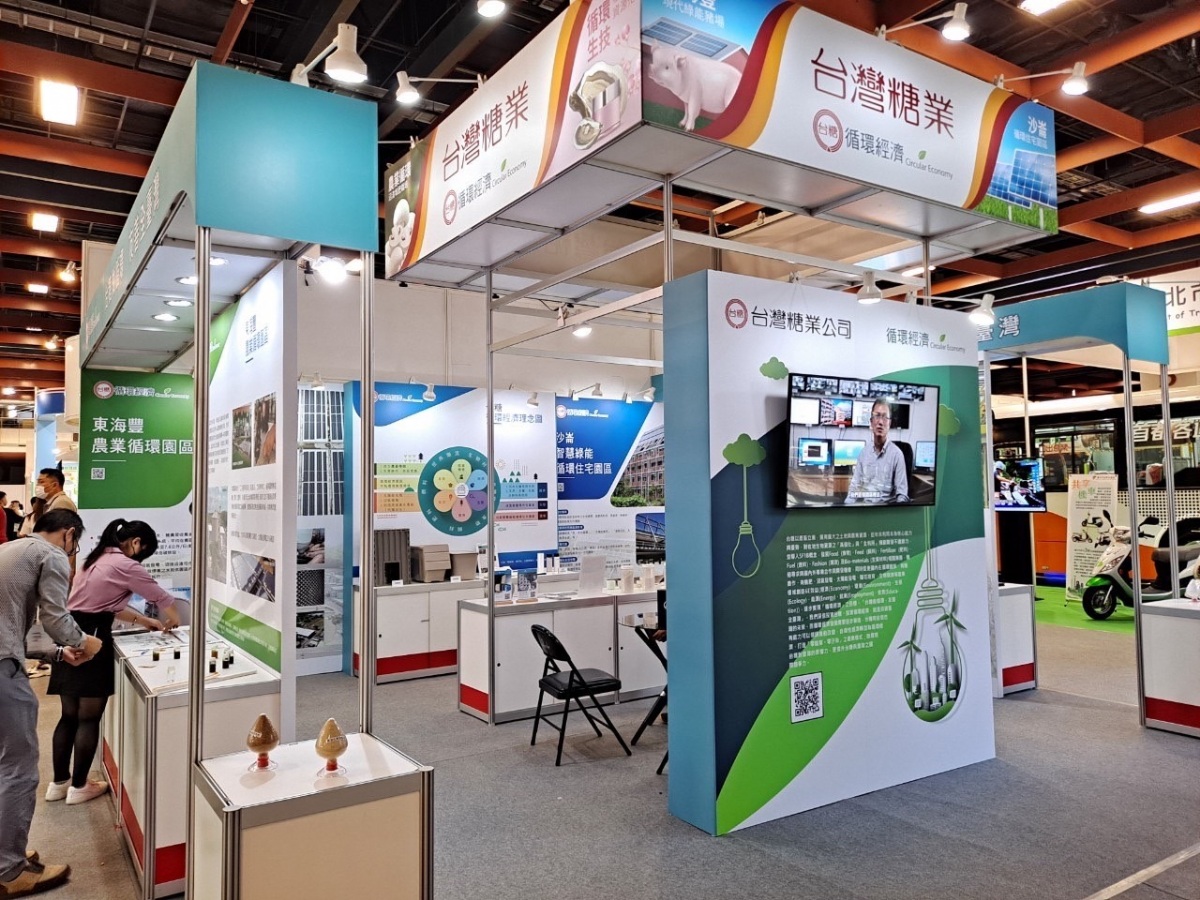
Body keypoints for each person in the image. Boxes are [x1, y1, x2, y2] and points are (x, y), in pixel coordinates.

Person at [0, 509, 102, 897]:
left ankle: (5, 852)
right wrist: (85, 643)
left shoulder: (11, 550)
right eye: (74, 545)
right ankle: (9, 871)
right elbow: (56, 618)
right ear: (69, 534)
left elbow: (12, 627)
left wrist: (58, 654)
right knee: (19, 767)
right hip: (2, 669)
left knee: (4, 762)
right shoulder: (51, 554)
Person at [46, 520, 181, 806]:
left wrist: (142, 620)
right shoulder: (127, 565)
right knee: (88, 717)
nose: (141, 559)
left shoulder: (95, 558)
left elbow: (108, 605)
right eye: (143, 552)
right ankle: (79, 786)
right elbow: (160, 596)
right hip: (93, 636)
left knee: (68, 715)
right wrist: (175, 619)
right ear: (136, 543)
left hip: (68, 630)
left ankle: (58, 784)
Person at [846, 398, 909, 504]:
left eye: (885, 417)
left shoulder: (897, 455)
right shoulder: (863, 454)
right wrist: (845, 507)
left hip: (886, 510)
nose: (880, 422)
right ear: (871, 422)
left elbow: (902, 495)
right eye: (877, 416)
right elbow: (854, 489)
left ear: (889, 423)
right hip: (865, 509)